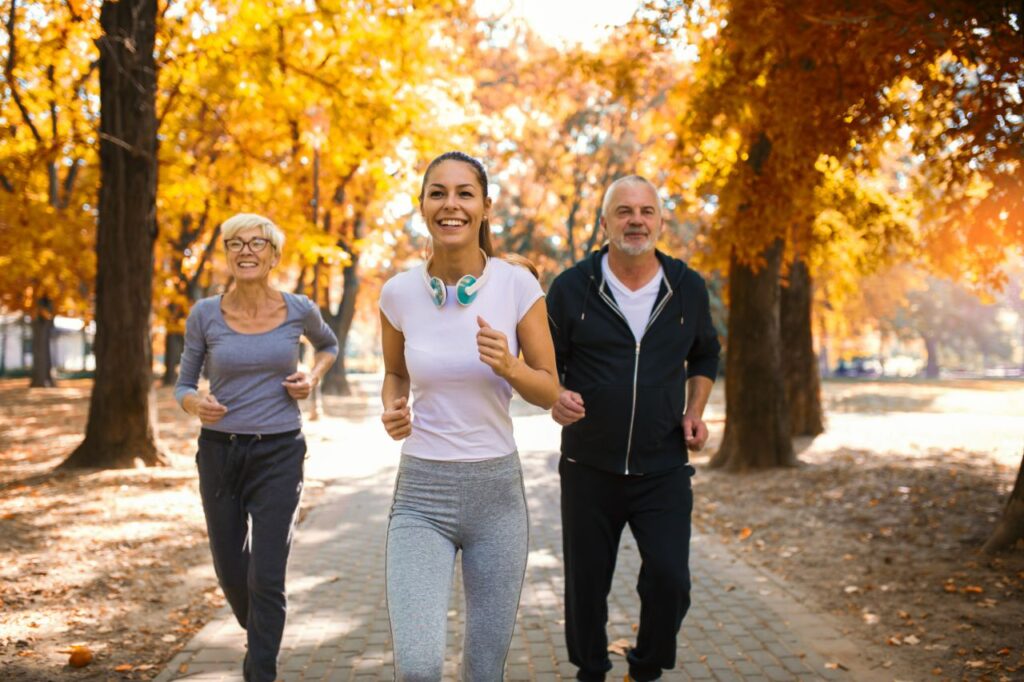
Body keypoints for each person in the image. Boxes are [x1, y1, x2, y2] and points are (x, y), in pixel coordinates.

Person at [378, 151, 559, 681]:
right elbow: (395, 373)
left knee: (483, 670)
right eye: (438, 193)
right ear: (423, 206)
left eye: (464, 193)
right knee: (417, 666)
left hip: (496, 499)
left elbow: (549, 390)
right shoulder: (398, 293)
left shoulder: (517, 285)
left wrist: (510, 366)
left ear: (484, 207)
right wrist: (391, 405)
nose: (450, 204)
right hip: (420, 498)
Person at [546, 176, 721, 682]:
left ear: (660, 222)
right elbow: (544, 363)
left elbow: (705, 353)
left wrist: (695, 410)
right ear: (605, 224)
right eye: (624, 211)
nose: (636, 220)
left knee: (671, 580)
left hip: (663, 466)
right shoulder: (572, 287)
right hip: (588, 466)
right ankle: (591, 670)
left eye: (646, 211)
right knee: (586, 585)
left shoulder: (686, 287)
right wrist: (554, 396)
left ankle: (645, 668)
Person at [174, 213, 338, 682]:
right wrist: (194, 405)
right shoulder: (205, 313)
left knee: (266, 575)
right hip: (220, 453)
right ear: (226, 253)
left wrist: (312, 375)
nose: (246, 251)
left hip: (280, 452)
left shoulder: (299, 308)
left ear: (273, 255)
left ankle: (260, 668)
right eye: (235, 243)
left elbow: (328, 346)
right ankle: (263, 631)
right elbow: (183, 383)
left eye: (257, 243)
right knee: (231, 571)